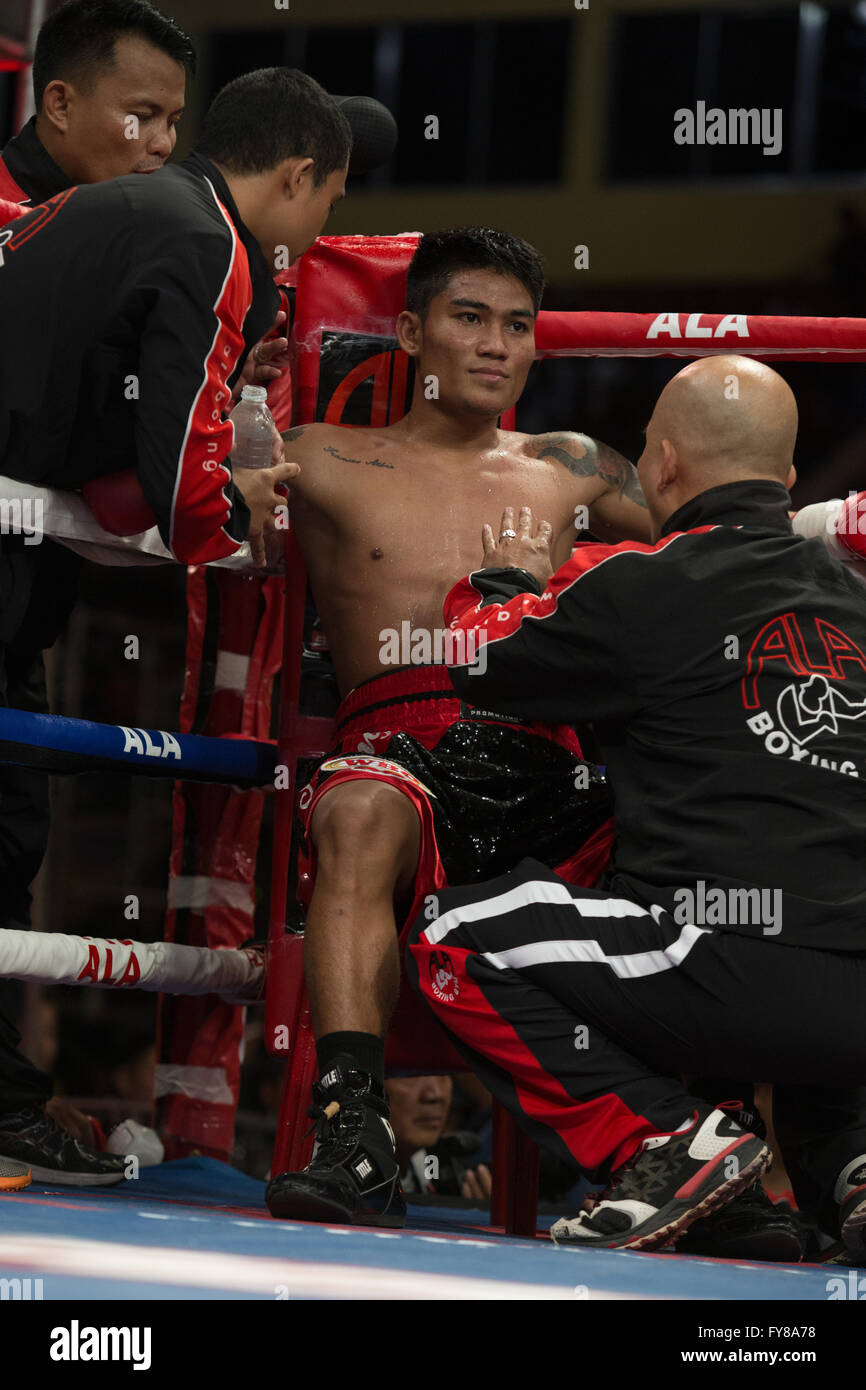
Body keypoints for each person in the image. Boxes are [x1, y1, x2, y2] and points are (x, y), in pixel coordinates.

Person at [404, 355, 866, 1257]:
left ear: (660, 466)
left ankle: (664, 1139)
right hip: (851, 993)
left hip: (724, 959)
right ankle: (853, 1171)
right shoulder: (857, 599)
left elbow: (475, 653)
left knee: (456, 936)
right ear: (789, 484)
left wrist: (504, 577)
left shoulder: (642, 580)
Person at [0, 60, 349, 1183]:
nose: (322, 226)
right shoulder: (210, 240)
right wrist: (236, 505)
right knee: (7, 826)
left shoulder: (113, 206)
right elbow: (185, 488)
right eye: (329, 201)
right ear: (297, 175)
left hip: (18, 544)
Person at [265, 227, 648, 1228]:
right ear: (409, 330)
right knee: (353, 807)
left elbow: (717, 537)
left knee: (698, 830)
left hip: (538, 757)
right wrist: (238, 401)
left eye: (516, 326)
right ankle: (353, 1133)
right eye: (467, 317)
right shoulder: (323, 458)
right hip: (394, 745)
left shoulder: (572, 466)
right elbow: (203, 484)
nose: (493, 344)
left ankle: (689, 1150)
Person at [0, 0, 197, 1189]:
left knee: (9, 845)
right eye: (140, 113)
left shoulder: (134, 240)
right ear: (58, 102)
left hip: (26, 618)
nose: (159, 143)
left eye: (175, 119)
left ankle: (8, 1098)